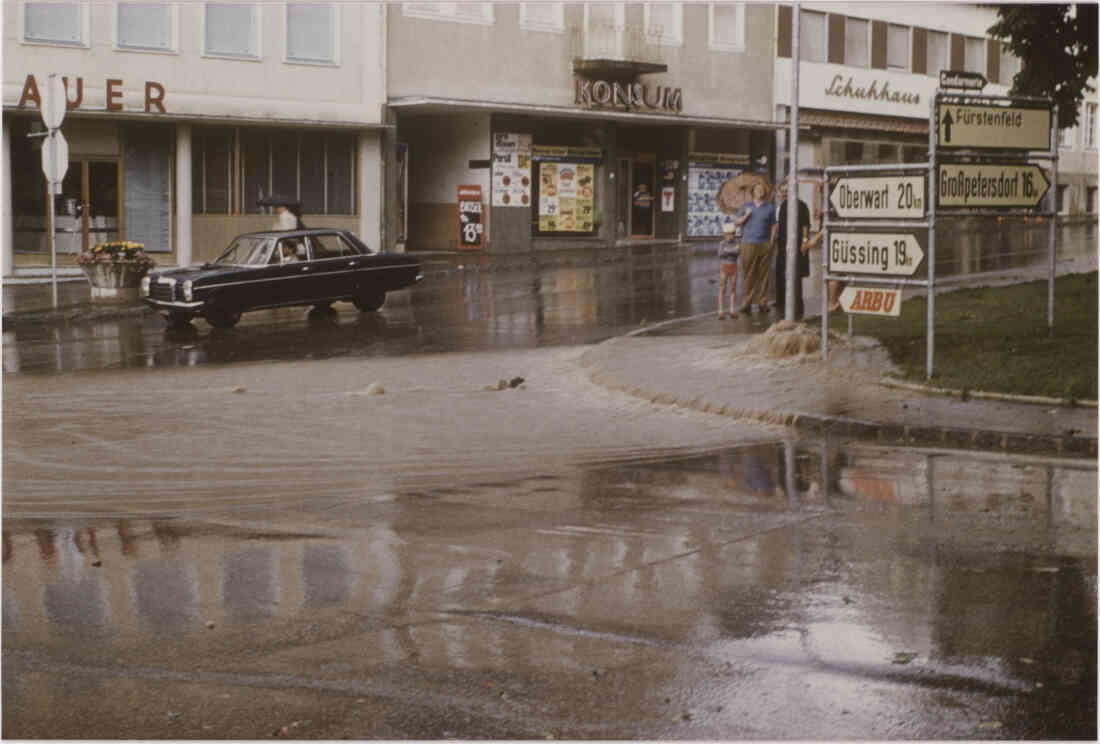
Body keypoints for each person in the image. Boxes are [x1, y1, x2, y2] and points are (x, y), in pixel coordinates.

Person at [732, 182, 778, 314]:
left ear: (765, 192)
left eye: (762, 189)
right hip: (748, 243)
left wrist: (771, 241)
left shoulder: (769, 207)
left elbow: (773, 225)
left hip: (764, 243)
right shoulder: (746, 206)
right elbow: (737, 222)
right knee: (749, 273)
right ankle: (746, 303)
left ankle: (762, 302)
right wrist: (746, 215)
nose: (760, 191)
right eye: (757, 189)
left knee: (764, 275)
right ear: (753, 192)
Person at [773, 181, 812, 320]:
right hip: (783, 245)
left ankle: (798, 307)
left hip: (797, 245)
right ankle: (782, 303)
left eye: (786, 191)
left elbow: (805, 225)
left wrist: (805, 241)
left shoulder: (802, 205)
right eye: (782, 191)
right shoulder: (782, 206)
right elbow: (779, 226)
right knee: (781, 274)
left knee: (796, 275)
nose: (784, 193)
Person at [716, 223, 741, 319]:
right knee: (722, 288)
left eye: (731, 234)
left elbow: (737, 252)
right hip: (724, 267)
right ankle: (720, 310)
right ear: (724, 234)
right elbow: (720, 254)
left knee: (733, 288)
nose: (730, 236)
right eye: (727, 234)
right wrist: (732, 250)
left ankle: (732, 310)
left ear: (734, 234)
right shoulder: (722, 243)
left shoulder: (737, 242)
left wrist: (727, 251)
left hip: (734, 266)